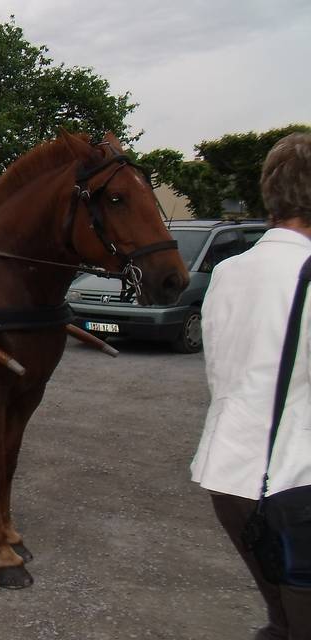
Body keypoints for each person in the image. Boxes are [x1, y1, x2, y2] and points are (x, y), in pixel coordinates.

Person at [191, 133, 311, 640]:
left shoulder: (228, 271)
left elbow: (223, 373)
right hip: (297, 486)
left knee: (283, 619)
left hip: (233, 481)